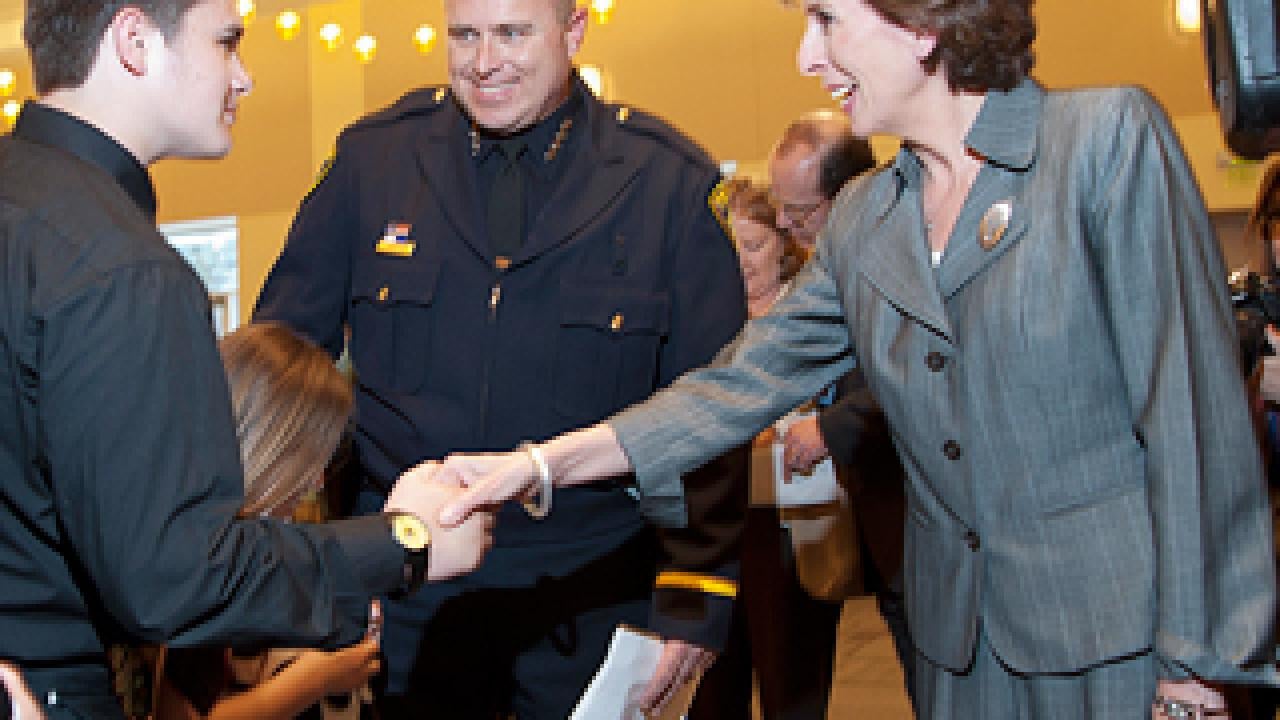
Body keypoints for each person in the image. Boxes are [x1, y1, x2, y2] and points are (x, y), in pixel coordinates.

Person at [433, 0, 1280, 717]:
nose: (809, 56)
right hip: (955, 658)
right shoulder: (868, 215)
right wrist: (538, 466)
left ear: (919, 26)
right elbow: (733, 387)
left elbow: (1192, 418)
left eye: (826, 20)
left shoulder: (1101, 144)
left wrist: (1201, 665)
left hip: (1122, 648)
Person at [252, 0, 748, 716]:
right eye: (465, 35)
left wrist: (697, 593)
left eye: (512, 34)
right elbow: (285, 366)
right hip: (415, 591)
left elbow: (712, 407)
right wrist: (324, 567)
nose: (484, 63)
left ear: (573, 31)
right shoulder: (374, 163)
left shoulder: (664, 182)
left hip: (595, 589)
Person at [0, 2, 492, 718]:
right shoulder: (123, 269)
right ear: (134, 41)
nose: (246, 77)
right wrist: (403, 542)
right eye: (227, 42)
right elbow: (175, 578)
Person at [153, 323, 381, 720]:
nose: (316, 480)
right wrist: (317, 678)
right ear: (266, 443)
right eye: (306, 459)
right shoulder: (207, 554)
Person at [768, 112, 918, 710]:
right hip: (862, 519)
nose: (784, 224)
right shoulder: (826, 267)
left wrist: (832, 425)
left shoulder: (903, 256)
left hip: (915, 520)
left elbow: (916, 373)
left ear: (849, 195)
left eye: (799, 212)